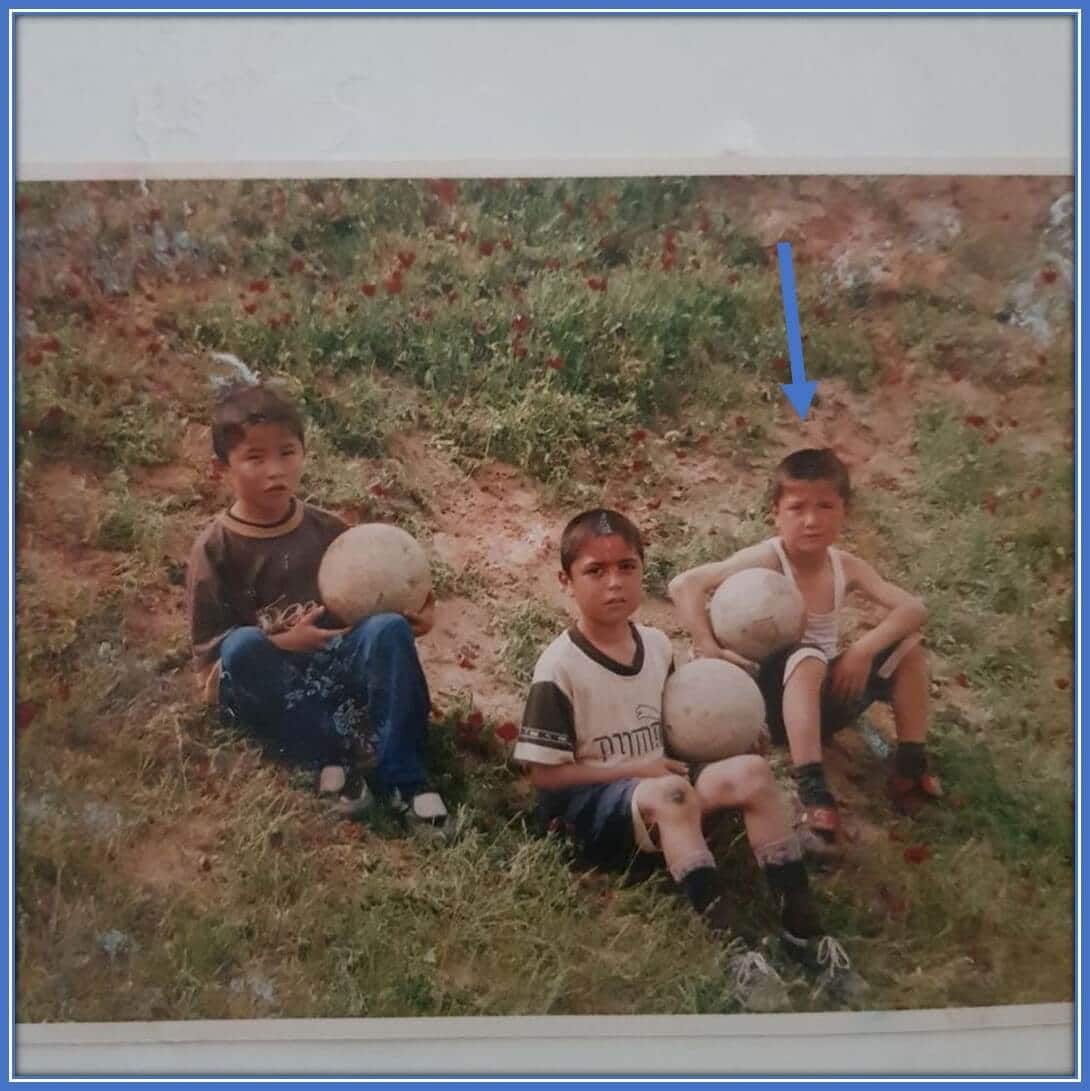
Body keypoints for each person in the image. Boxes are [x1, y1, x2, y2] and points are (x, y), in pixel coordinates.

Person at [513, 508, 865, 1009]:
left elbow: (680, 733)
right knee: (672, 792)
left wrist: (734, 736)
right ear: (565, 581)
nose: (614, 583)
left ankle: (803, 933)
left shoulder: (656, 645)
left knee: (753, 772)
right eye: (595, 571)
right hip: (591, 815)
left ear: (642, 568)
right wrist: (638, 770)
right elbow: (544, 775)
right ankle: (733, 950)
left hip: (660, 794)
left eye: (627, 567)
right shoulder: (559, 666)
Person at [184, 379, 447, 827]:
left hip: (335, 667)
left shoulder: (328, 530)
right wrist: (283, 642)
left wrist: (410, 616)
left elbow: (370, 605)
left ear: (303, 453)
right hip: (278, 687)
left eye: (287, 453)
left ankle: (404, 776)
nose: (275, 470)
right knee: (242, 647)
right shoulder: (216, 548)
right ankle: (328, 758)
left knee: (387, 631)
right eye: (255, 458)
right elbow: (212, 659)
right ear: (221, 468)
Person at [669, 447, 939, 855]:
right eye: (796, 508)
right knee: (808, 657)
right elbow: (684, 585)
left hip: (820, 705)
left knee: (909, 648)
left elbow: (914, 609)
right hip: (763, 705)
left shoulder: (844, 565)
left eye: (825, 506)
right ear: (775, 513)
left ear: (844, 510)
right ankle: (812, 788)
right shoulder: (768, 559)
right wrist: (707, 645)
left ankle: (909, 766)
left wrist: (863, 650)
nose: (811, 520)